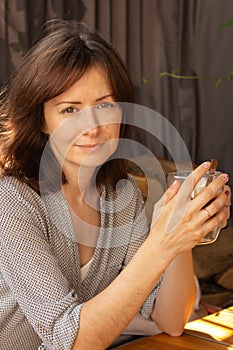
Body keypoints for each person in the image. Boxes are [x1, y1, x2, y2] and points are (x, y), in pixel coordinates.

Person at [0, 19, 230, 350]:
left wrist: (181, 234)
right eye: (69, 109)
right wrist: (160, 244)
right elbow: (72, 341)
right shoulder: (11, 199)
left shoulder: (120, 196)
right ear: (42, 120)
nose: (92, 127)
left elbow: (171, 320)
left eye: (105, 105)